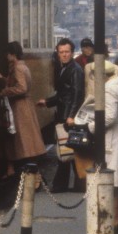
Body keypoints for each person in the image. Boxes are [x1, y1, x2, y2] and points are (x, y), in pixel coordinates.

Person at [73, 56, 118, 232]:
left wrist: (89, 127)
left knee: (113, 182)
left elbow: (109, 117)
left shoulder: (109, 89)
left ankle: (114, 221)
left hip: (113, 138)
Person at [40, 37, 85, 192]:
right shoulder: (67, 68)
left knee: (68, 149)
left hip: (68, 116)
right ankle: (75, 183)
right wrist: (47, 102)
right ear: (58, 53)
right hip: (64, 113)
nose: (64, 54)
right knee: (67, 149)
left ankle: (65, 184)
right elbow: (64, 94)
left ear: (72, 52)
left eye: (67, 52)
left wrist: (71, 115)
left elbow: (77, 94)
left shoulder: (75, 70)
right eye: (61, 52)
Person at [0, 41, 46, 177]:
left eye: (7, 54)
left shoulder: (17, 68)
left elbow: (21, 88)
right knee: (26, 138)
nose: (6, 56)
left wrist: (5, 91)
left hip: (19, 107)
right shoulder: (23, 66)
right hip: (25, 105)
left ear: (12, 54)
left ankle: (24, 172)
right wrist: (4, 79)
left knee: (19, 138)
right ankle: (21, 169)